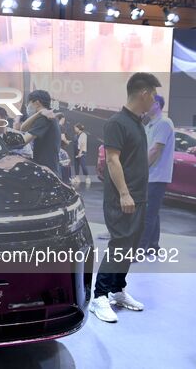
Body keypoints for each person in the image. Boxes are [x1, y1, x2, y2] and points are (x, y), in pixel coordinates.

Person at [90, 72, 161, 323]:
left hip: (138, 196)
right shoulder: (117, 122)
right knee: (119, 244)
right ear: (143, 93)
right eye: (153, 94)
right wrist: (124, 193)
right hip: (123, 197)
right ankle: (99, 296)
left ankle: (117, 289)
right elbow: (112, 159)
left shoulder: (137, 122)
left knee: (130, 246)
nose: (154, 99)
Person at [138, 95, 174, 252]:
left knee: (148, 214)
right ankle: (153, 245)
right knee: (153, 211)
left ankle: (140, 249)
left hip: (156, 176)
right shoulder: (150, 125)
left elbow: (155, 150)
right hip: (151, 175)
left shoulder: (164, 123)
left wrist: (140, 169)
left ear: (157, 105)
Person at [19, 90, 61, 173]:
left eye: (29, 103)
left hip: (47, 170)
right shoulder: (43, 116)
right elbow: (23, 128)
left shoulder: (45, 118)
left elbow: (23, 141)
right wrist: (39, 113)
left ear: (37, 102)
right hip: (49, 167)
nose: (28, 106)